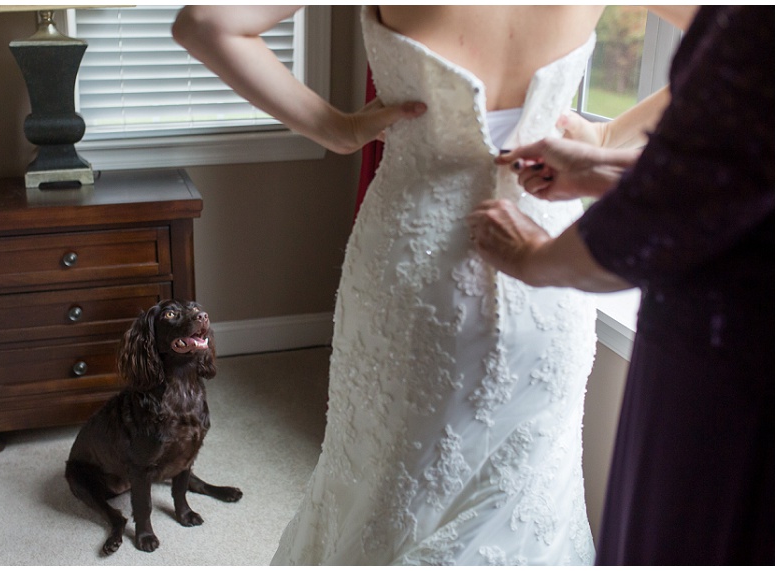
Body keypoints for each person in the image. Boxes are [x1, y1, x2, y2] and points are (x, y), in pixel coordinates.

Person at [172, 5, 690, 565]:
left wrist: (337, 127)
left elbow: (206, 23)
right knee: (527, 487)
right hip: (549, 259)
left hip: (414, 264)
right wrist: (611, 135)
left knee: (385, 484)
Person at [468, 6, 773, 565]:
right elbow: (741, 167)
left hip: (736, 367)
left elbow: (685, 203)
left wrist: (533, 258)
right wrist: (607, 166)